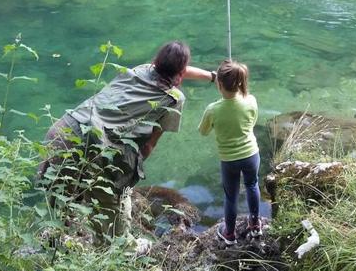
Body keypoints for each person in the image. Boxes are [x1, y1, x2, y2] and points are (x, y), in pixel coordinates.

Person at [39, 41, 214, 237]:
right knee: (114, 226)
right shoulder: (174, 99)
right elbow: (149, 145)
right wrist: (126, 178)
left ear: (156, 62)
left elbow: (175, 68)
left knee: (63, 212)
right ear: (180, 75)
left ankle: (61, 252)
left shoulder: (141, 69)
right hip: (95, 147)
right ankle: (118, 253)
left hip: (62, 131)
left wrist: (212, 76)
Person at [198, 60, 262, 245]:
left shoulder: (213, 109)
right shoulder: (251, 100)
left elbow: (203, 132)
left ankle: (229, 234)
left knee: (231, 196)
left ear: (218, 83)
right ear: (241, 82)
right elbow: (253, 121)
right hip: (251, 154)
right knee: (252, 185)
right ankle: (255, 224)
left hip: (229, 160)